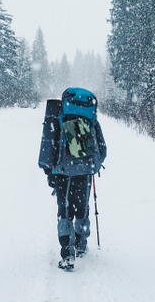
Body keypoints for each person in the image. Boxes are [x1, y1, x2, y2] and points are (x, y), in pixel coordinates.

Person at [38, 87, 107, 270]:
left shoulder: (58, 115)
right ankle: (81, 244)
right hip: (85, 171)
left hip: (62, 173)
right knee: (82, 209)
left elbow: (48, 144)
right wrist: (92, 165)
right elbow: (102, 147)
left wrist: (49, 172)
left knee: (65, 211)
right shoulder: (89, 118)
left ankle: (68, 254)